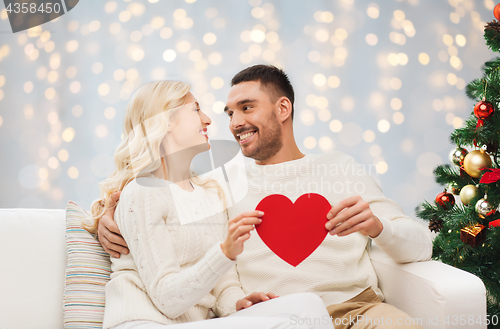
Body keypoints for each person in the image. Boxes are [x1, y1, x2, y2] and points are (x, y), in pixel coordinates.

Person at [98, 66, 432, 329]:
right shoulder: (219, 184)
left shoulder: (339, 168)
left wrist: (377, 227)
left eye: (246, 108)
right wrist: (105, 220)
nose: (234, 123)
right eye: (229, 113)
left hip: (358, 311)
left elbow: (420, 245)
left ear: (282, 108)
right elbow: (149, 204)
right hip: (275, 318)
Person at [85, 80, 334, 329]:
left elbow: (223, 284)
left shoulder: (209, 193)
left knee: (307, 305)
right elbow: (168, 299)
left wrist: (239, 303)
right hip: (146, 322)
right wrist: (224, 252)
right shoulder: (142, 193)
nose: (207, 120)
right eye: (195, 110)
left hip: (192, 324)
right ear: (166, 121)